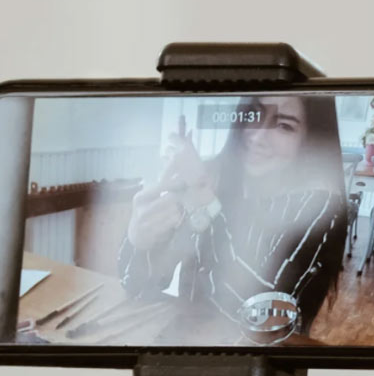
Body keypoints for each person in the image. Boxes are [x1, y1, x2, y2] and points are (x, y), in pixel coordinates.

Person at [119, 94, 350, 341]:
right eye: (253, 115)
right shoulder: (212, 175)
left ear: (311, 139)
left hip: (263, 364)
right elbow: (139, 286)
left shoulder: (318, 202)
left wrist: (205, 199)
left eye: (284, 126)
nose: (258, 136)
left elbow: (259, 318)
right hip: (187, 346)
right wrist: (139, 242)